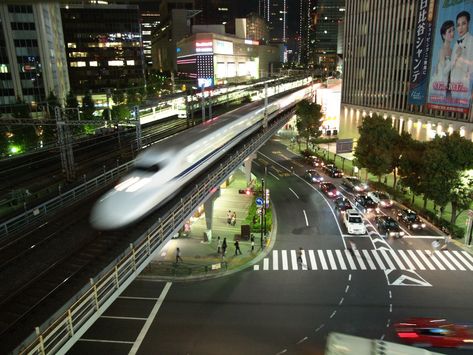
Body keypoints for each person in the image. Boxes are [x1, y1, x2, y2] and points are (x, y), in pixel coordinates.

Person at [447, 11, 473, 102]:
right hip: (454, 86)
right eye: (458, 25)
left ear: (468, 23)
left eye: (463, 24)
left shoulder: (471, 41)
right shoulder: (455, 44)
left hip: (465, 87)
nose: (460, 28)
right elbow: (452, 65)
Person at [432, 20, 455, 98]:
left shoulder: (453, 51)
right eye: (449, 31)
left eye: (453, 30)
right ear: (444, 35)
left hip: (451, 86)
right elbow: (443, 72)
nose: (452, 33)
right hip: (442, 87)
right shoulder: (442, 51)